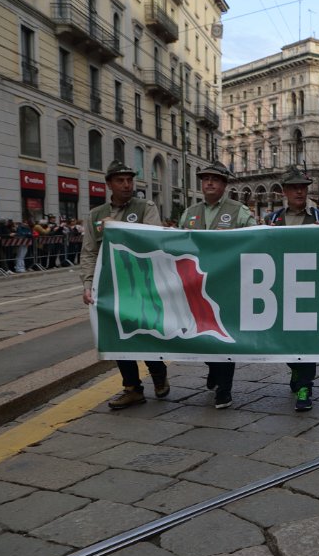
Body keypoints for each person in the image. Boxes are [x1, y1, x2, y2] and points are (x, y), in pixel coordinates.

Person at [80, 160, 169, 409]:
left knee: (146, 330)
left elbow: (154, 239)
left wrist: (119, 228)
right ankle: (132, 388)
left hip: (141, 283)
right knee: (117, 337)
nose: (127, 184)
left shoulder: (146, 207)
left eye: (130, 180)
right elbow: (89, 252)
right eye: (120, 180)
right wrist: (88, 284)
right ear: (109, 184)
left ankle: (158, 371)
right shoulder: (95, 215)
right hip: (110, 287)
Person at [180, 161, 256, 409]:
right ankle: (213, 367)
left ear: (224, 184)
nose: (209, 182)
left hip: (227, 286)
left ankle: (224, 389)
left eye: (215, 179)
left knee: (224, 336)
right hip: (196, 285)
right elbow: (176, 244)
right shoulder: (189, 213)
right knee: (200, 335)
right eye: (205, 179)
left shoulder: (238, 211)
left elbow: (255, 238)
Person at [267, 166, 319, 412]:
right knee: (283, 341)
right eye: (294, 187)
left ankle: (305, 387)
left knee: (307, 342)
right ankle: (295, 369)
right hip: (280, 289)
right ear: (285, 191)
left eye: (303, 187)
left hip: (311, 289)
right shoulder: (272, 219)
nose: (299, 191)